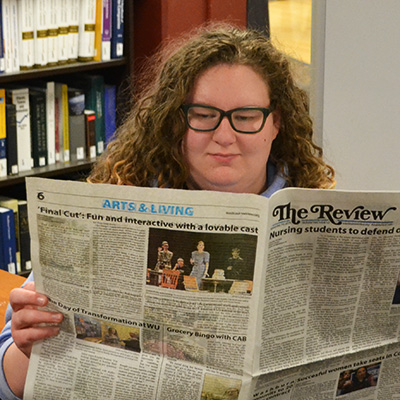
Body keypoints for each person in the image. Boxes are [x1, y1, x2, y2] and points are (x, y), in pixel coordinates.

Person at [0, 24, 334, 399]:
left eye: (246, 116)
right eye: (205, 114)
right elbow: (8, 380)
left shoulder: (318, 217)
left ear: (276, 123)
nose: (225, 136)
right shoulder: (118, 201)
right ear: (177, 121)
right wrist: (29, 349)